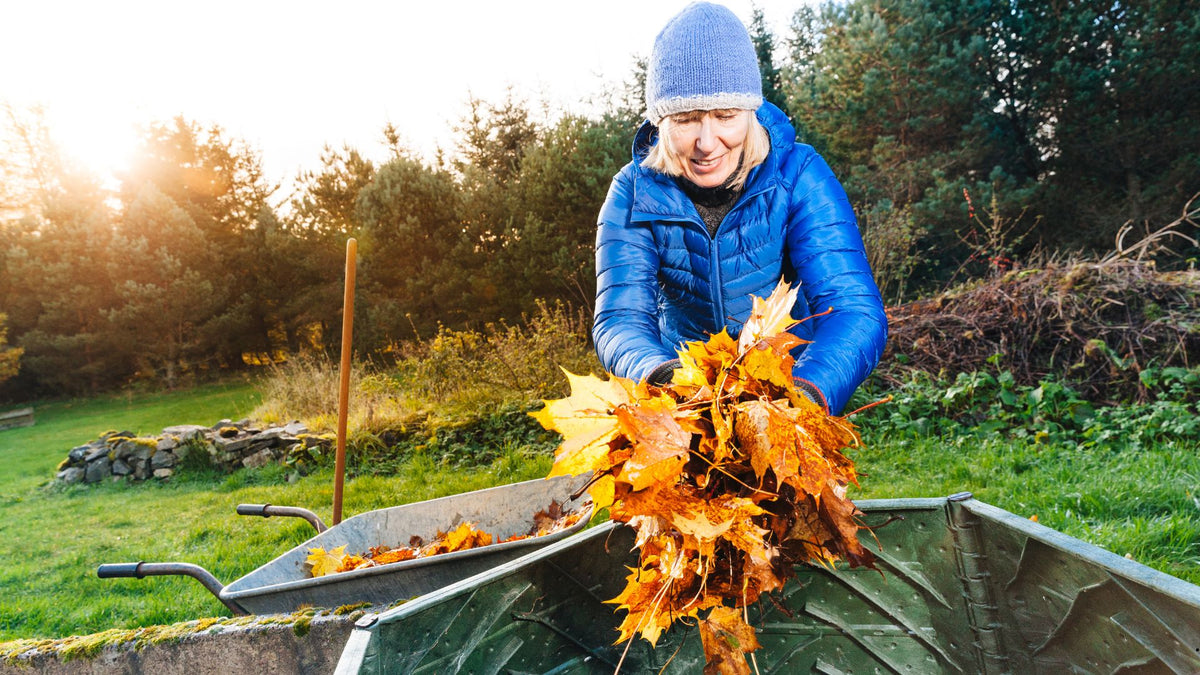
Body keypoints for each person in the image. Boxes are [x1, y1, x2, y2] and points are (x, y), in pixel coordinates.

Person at [592, 1, 887, 415]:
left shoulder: (798, 173)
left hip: (788, 387)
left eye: (725, 115)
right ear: (661, 123)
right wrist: (668, 381)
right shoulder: (633, 190)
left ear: (749, 113)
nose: (707, 142)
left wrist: (805, 395)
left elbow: (853, 308)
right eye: (687, 119)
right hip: (682, 400)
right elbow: (620, 319)